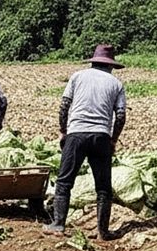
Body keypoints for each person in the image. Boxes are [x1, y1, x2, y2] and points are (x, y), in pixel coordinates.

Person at [43, 45, 127, 240]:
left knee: (65, 181)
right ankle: (102, 232)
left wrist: (64, 132)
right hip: (101, 137)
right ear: (111, 65)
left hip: (77, 134)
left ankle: (58, 225)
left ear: (93, 61)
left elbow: (64, 107)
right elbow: (121, 117)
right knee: (103, 187)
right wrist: (113, 140)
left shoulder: (77, 77)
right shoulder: (116, 84)